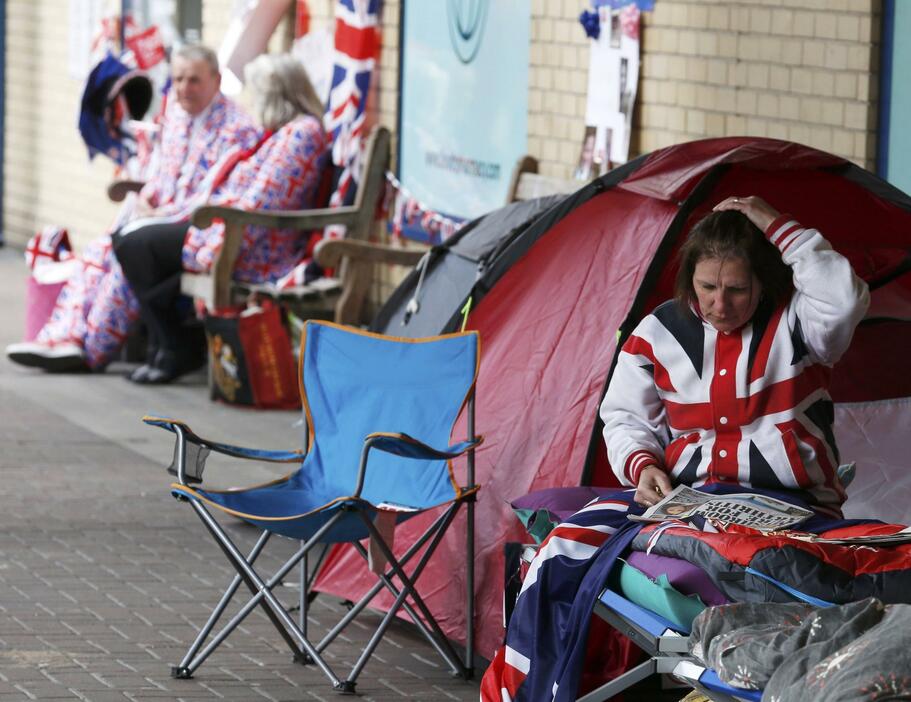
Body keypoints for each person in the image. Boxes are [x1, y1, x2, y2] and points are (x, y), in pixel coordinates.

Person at [599, 196, 870, 515]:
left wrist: (775, 224)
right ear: (690, 279)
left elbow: (844, 301)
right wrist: (642, 466)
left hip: (798, 506)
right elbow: (625, 417)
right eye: (707, 287)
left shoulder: (802, 322)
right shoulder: (656, 333)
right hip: (686, 504)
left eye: (737, 289)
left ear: (763, 281)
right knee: (575, 540)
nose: (720, 304)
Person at [6, 44, 258, 372]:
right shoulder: (178, 117)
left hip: (198, 230)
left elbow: (220, 196)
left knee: (125, 256)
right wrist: (146, 199)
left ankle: (90, 350)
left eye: (194, 80)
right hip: (162, 216)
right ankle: (61, 336)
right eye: (178, 79)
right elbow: (163, 177)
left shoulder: (236, 129)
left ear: (216, 79)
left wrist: (162, 214)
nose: (184, 88)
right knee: (98, 251)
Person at [113, 53, 330, 384]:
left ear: (275, 94)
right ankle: (169, 342)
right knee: (128, 239)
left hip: (252, 242)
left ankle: (174, 344)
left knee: (137, 245)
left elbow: (263, 203)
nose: (252, 102)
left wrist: (208, 241)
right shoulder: (288, 130)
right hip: (226, 225)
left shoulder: (301, 134)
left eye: (257, 93)